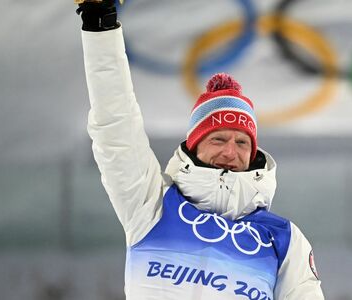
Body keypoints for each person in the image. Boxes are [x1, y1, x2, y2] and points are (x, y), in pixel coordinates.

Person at [75, 1, 324, 299]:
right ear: (194, 146)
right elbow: (116, 128)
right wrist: (100, 23)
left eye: (242, 142)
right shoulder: (152, 205)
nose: (230, 152)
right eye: (218, 139)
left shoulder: (283, 239)